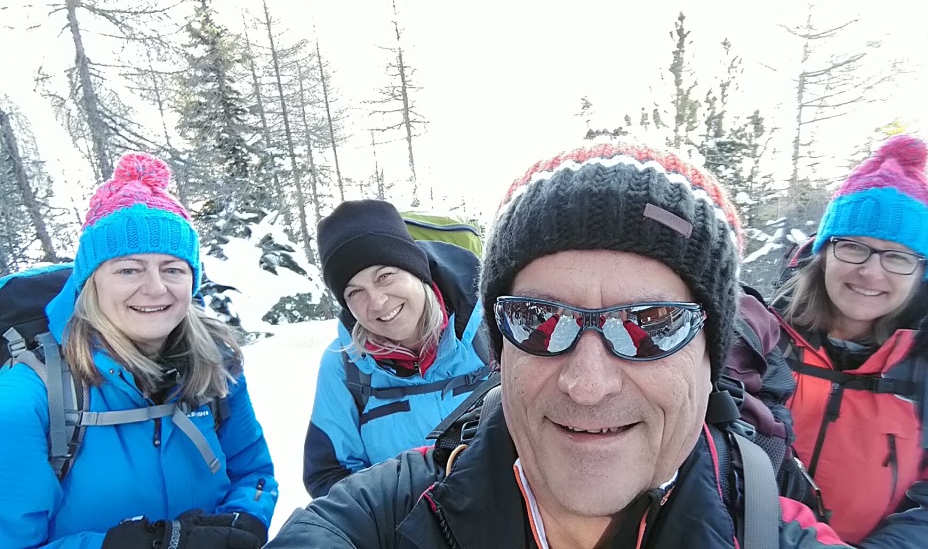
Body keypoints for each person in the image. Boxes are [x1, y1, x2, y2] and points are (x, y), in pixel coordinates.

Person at [267, 142, 847, 548]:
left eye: (651, 324)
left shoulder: (768, 527)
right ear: (502, 353)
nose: (587, 384)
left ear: (709, 357)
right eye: (538, 320)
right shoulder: (403, 502)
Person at [0, 152, 277, 549]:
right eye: (128, 269)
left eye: (173, 269)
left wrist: (245, 519)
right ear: (90, 283)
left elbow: (253, 473)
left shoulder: (216, 364)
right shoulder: (27, 399)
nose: (155, 288)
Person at [770, 135, 928, 547]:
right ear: (825, 252)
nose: (871, 272)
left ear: (922, 271)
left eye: (898, 256)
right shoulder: (763, 343)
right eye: (854, 247)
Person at [303, 199, 491, 498]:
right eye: (355, 292)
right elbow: (329, 476)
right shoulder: (344, 366)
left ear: (416, 270)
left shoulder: (490, 327)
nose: (377, 302)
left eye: (385, 276)